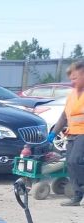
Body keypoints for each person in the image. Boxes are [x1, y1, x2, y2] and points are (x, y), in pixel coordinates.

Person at [50, 59, 84, 206]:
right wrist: (53, 133)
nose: (72, 82)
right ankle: (77, 196)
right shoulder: (72, 95)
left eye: (75, 78)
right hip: (72, 133)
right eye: (71, 79)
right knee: (69, 163)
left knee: (75, 160)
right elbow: (64, 116)